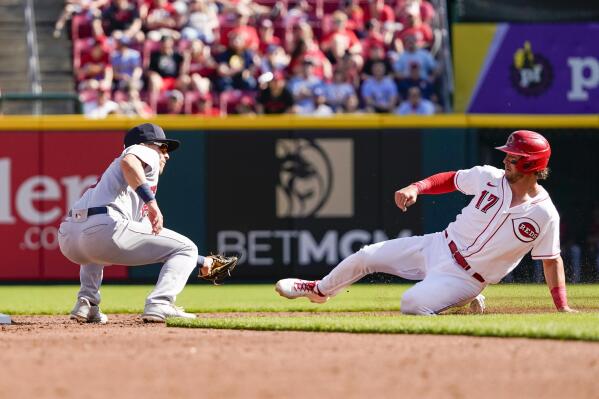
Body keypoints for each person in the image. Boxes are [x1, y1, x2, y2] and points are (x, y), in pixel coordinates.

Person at [276, 130, 576, 315]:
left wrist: (561, 306)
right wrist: (416, 188)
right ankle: (319, 290)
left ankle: (460, 302)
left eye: (512, 157)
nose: (505, 160)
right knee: (367, 255)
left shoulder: (544, 213)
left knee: (413, 304)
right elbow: (451, 179)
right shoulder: (489, 177)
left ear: (530, 164)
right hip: (437, 244)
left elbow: (551, 261)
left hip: (467, 278)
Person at [58, 123, 237, 323]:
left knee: (96, 245)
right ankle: (160, 303)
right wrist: (151, 202)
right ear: (148, 145)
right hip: (102, 227)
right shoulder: (143, 150)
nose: (166, 155)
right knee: (187, 247)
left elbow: (149, 238)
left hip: (69, 238)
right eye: (163, 147)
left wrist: (202, 261)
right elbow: (129, 161)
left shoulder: (114, 186)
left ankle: (86, 303)